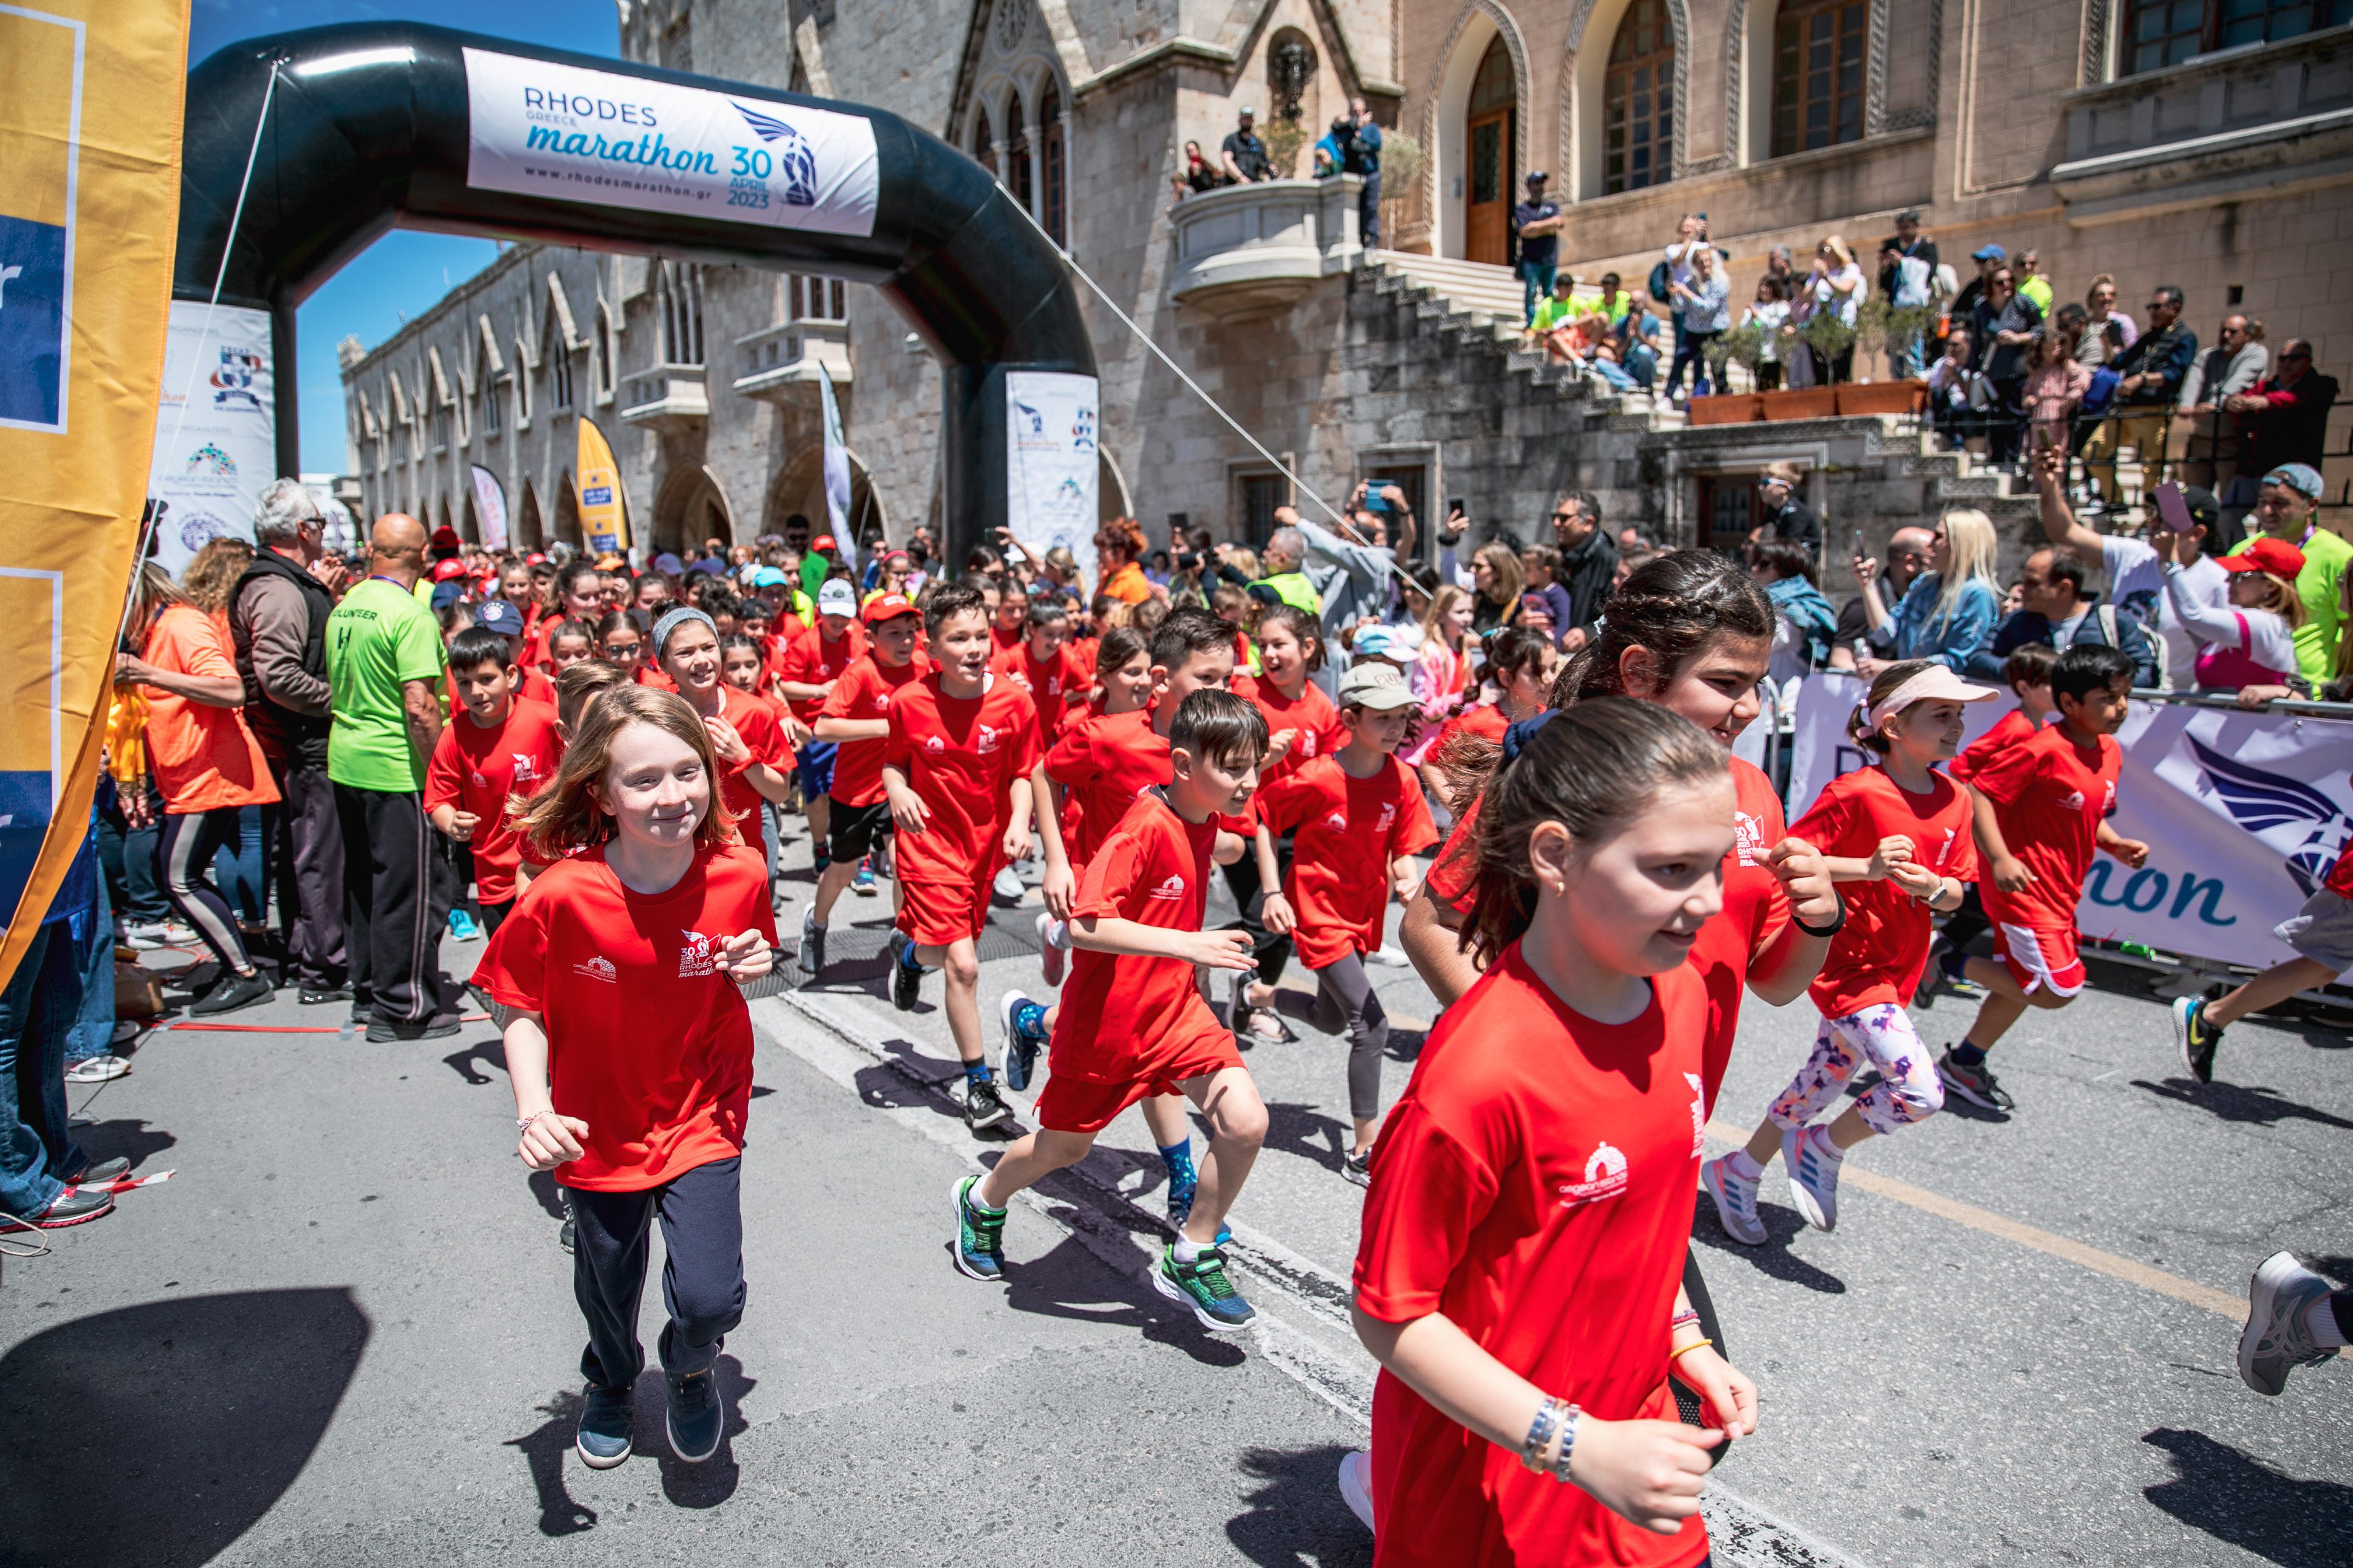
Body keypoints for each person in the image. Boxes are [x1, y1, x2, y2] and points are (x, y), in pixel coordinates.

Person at [1352, 698, 1759, 1566]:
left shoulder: (1680, 994)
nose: (1708, 902)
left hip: (1629, 1452)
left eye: (1717, 866)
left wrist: (1684, 1338)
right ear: (1556, 856)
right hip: (1489, 1490)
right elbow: (1393, 1317)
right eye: (1673, 869)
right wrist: (1577, 1446)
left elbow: (1639, 1219)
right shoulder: (1477, 1075)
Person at [481, 683, 780, 1471]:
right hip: (597, 1124)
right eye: (644, 780)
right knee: (608, 1289)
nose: (672, 795)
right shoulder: (560, 896)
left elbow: (751, 953)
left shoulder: (742, 871)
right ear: (601, 793)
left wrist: (757, 963)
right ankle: (611, 1379)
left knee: (714, 1296)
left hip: (702, 1110)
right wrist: (533, 1107)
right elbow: (516, 1005)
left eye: (689, 772)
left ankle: (688, 1363)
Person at [960, 690, 1271, 1332]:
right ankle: (982, 1199)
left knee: (1244, 1122)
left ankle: (1193, 1250)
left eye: (1255, 765)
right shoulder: (1144, 824)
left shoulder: (1206, 819)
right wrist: (1188, 942)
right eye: (1235, 767)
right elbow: (1085, 925)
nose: (1249, 781)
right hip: (1107, 1026)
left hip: (1176, 1014)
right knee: (1060, 1150)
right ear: (1183, 764)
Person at [1703, 662, 1990, 1244]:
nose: (1956, 725)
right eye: (1942, 714)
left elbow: (1959, 888)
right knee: (1919, 1091)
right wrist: (1870, 868)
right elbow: (1787, 856)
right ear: (1891, 725)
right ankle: (1822, 1146)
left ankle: (1739, 1169)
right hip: (1848, 968)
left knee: (1824, 1079)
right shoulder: (1857, 791)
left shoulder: (1957, 798)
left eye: (1959, 715)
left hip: (1898, 964)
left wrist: (1929, 888)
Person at [1929, 645, 2148, 1111]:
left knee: (2022, 982)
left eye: (2125, 696)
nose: (2121, 708)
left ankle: (1964, 1063)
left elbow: (2089, 813)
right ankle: (1942, 963)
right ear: (2069, 704)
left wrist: (2115, 843)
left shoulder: (2109, 751)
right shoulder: (2042, 748)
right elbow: (1980, 794)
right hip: (2023, 890)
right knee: (2055, 988)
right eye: (2108, 699)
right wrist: (2001, 857)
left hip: (2062, 890)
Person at [879, 584, 1065, 1132]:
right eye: (958, 638)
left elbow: (1023, 772)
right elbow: (893, 764)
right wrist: (898, 790)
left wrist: (1017, 820)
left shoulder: (1014, 700)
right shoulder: (908, 702)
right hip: (928, 846)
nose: (974, 647)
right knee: (964, 965)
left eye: (981, 635)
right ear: (931, 648)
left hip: (982, 850)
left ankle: (910, 955)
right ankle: (978, 1084)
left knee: (942, 955)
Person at [1251, 663, 1437, 1182]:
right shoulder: (1317, 777)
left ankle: (1259, 997)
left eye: (1403, 716)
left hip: (1362, 917)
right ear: (1351, 718)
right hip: (1317, 914)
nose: (1397, 727)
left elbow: (1404, 852)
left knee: (1330, 1019)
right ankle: (1363, 1150)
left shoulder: (1402, 779)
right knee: (1370, 1026)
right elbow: (1264, 816)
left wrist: (1405, 881)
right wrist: (1272, 891)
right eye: (1383, 717)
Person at [115, 562, 281, 1016]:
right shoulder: (152, 632)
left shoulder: (181, 623)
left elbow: (230, 689)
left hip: (212, 774)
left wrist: (147, 673)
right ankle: (235, 963)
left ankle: (245, 972)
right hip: (186, 777)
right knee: (173, 874)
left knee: (176, 876)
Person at [327, 515, 455, 1040]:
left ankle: (368, 990)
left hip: (348, 760)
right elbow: (421, 707)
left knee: (364, 885)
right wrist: (438, 780)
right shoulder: (410, 614)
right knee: (411, 890)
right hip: (397, 768)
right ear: (421, 554)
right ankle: (402, 1006)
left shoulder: (346, 606)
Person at [228, 478, 347, 1005]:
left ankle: (314, 955)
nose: (323, 534)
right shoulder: (277, 587)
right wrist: (340, 702)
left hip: (302, 742)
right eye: (319, 525)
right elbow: (279, 676)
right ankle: (321, 965)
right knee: (316, 855)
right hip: (304, 744)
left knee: (311, 851)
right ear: (303, 530)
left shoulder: (288, 582)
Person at [1916, 642, 2057, 1006]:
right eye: (2050, 684)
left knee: (1984, 907)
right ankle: (1941, 960)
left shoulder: (2037, 726)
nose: (2059, 692)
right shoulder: (2017, 726)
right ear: (2025, 687)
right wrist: (1976, 807)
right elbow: (1965, 768)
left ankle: (1941, 958)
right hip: (1989, 831)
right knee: (1985, 901)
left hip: (2005, 832)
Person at [0, 835, 122, 1231]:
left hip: (43, 862)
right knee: (6, 1026)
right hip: (11, 863)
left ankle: (52, 1154)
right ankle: (18, 1185)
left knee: (55, 1007)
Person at [2032, 446, 2224, 691]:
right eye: (2155, 514)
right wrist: (2050, 486)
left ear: (2197, 533)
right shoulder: (2134, 554)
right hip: (2113, 692)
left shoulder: (2217, 580)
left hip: (2172, 703)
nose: (2153, 523)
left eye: (2165, 518)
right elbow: (2064, 533)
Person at [802, 591, 927, 956]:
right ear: (870, 639)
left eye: (910, 631)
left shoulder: (922, 666)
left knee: (906, 866)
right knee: (842, 872)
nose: (906, 641)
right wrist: (884, 727)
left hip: (901, 787)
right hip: (854, 791)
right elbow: (823, 729)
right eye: (894, 633)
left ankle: (904, 943)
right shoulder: (860, 673)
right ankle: (818, 924)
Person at [424, 626, 563, 938]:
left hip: (549, 863)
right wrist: (451, 821)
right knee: (505, 966)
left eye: (486, 679)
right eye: (464, 683)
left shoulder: (545, 720)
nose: (476, 692)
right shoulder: (454, 735)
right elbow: (438, 800)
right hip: (493, 873)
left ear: (511, 675)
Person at [651, 608, 797, 897]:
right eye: (685, 652)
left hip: (744, 853)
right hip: (674, 859)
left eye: (708, 647)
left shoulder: (756, 712)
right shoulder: (657, 716)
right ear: (664, 664)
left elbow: (781, 793)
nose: (701, 660)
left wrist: (743, 758)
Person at [775, 577, 867, 878]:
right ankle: (820, 846)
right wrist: (819, 690)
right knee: (819, 795)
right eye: (832, 614)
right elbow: (784, 685)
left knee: (855, 791)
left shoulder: (859, 639)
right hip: (814, 730)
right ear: (819, 612)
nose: (839, 621)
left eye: (845, 613)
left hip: (851, 728)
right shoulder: (806, 643)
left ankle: (858, 853)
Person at [2227, 462, 2346, 686]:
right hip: (2243, 692)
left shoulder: (2338, 556)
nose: (2267, 512)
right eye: (2263, 502)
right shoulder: (2242, 551)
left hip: (2304, 697)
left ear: (2311, 505)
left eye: (2280, 504)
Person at [2083, 284, 2196, 507]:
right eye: (2150, 307)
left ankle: (2154, 522)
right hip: (2125, 409)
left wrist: (2141, 379)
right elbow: (2117, 363)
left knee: (2151, 471)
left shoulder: (2185, 338)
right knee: (2092, 453)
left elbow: (2175, 374)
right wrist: (2107, 343)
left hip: (2153, 411)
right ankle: (2116, 502)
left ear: (2175, 308)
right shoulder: (2149, 337)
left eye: (2158, 307)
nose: (2152, 311)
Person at [1858, 510, 2002, 674]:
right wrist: (1867, 584)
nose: (1929, 544)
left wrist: (1890, 668)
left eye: (1938, 537)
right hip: (1910, 689)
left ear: (1960, 544)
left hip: (1944, 696)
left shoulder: (1977, 595)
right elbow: (1885, 635)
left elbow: (1956, 662)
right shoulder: (1924, 584)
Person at [2165, 533, 2305, 694]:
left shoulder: (2265, 623)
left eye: (2240, 575)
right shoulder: (2255, 621)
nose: (2228, 581)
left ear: (2270, 586)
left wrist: (2170, 564)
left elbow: (2193, 616)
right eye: (2231, 574)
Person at [2224, 340, 2338, 484]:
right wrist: (2232, 402)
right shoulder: (2265, 386)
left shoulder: (2323, 384)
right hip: (2262, 462)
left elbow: (2301, 397)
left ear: (2308, 361)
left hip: (2301, 461)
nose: (2287, 363)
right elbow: (2243, 401)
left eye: (2294, 358)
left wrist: (2267, 401)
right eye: (2282, 358)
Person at [1973, 267, 2043, 465]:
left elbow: (2040, 329)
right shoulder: (1982, 307)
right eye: (2000, 282)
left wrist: (2019, 338)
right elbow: (1976, 341)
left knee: (2015, 416)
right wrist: (1972, 371)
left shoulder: (2023, 303)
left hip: (2017, 370)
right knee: (1995, 416)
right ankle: (1995, 459)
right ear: (1990, 286)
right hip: (1992, 373)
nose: (2006, 285)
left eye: (2009, 280)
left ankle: (2011, 461)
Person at [1550, 491, 1619, 645]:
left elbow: (1617, 615)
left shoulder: (1609, 561)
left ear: (1588, 523)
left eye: (1564, 518)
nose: (1556, 523)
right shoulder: (1557, 558)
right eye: (1554, 517)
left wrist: (1588, 633)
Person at [1663, 242, 1729, 402]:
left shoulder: (1719, 282)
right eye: (1701, 262)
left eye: (1708, 261)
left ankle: (1722, 399)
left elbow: (1709, 308)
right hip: (1694, 332)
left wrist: (1688, 294)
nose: (1706, 265)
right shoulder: (1689, 282)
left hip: (1715, 332)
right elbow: (1679, 309)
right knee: (1679, 360)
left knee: (1718, 370)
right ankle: (1667, 397)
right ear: (1694, 265)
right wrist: (1674, 295)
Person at [1802, 236, 1866, 384]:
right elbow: (1804, 299)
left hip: (1842, 326)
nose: (1821, 254)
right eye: (1819, 251)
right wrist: (1818, 277)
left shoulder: (1850, 269)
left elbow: (1845, 289)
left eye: (1825, 249)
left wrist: (1826, 276)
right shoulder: (1816, 275)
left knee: (1841, 371)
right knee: (1821, 373)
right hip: (1820, 328)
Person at [1513, 171, 1564, 326]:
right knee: (1531, 292)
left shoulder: (1551, 206)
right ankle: (1532, 323)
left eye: (1541, 183)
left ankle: (1548, 322)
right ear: (1528, 187)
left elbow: (1559, 223)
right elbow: (1524, 232)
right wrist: (1547, 227)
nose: (1539, 187)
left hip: (1550, 258)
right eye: (1536, 183)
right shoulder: (1523, 209)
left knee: (1549, 294)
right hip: (1531, 260)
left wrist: (1535, 226)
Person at [1750, 462, 1821, 558]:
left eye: (1766, 483)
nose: (1760, 487)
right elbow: (1759, 532)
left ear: (1784, 488)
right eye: (1760, 483)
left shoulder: (1795, 512)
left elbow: (1788, 547)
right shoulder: (1773, 509)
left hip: (1799, 567)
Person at [1344, 96, 1384, 246]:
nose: (1359, 114)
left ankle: (1373, 239)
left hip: (1372, 175)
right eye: (1356, 111)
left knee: (1371, 208)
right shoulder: (1348, 131)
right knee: (1357, 211)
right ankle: (1360, 240)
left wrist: (1361, 140)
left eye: (1362, 111)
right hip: (1355, 177)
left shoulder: (1372, 128)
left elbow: (1376, 145)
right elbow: (1350, 148)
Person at [1744, 276, 1791, 390]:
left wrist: (1759, 316)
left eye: (1767, 287)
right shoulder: (1755, 306)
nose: (1763, 289)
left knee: (1772, 387)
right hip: (1757, 354)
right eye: (1762, 286)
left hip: (1774, 355)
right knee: (1760, 387)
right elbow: (1744, 327)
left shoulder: (1781, 306)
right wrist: (1753, 318)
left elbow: (1776, 325)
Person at [1221, 106, 1272, 183]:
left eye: (1249, 119)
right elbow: (1227, 160)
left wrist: (1271, 169)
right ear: (1240, 120)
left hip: (1254, 186)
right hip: (1234, 186)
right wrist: (1240, 177)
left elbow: (1264, 164)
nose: (1246, 121)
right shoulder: (1231, 140)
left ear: (1253, 121)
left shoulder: (1258, 143)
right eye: (1244, 119)